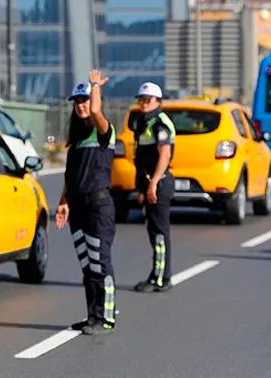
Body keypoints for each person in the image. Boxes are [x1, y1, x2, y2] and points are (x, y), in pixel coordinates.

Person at [54, 70, 117, 335]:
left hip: (98, 207)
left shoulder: (104, 132)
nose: (81, 105)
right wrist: (63, 202)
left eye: (85, 100)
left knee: (100, 263)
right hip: (78, 208)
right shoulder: (77, 140)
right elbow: (71, 176)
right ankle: (92, 316)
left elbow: (97, 112)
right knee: (87, 265)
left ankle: (106, 318)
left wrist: (95, 87)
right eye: (77, 101)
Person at [131, 82, 176, 293]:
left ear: (158, 101)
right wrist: (141, 187)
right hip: (149, 182)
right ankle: (158, 274)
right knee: (153, 230)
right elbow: (141, 157)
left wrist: (154, 183)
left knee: (159, 233)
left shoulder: (159, 123)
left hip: (159, 182)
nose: (143, 103)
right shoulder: (144, 121)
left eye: (147, 100)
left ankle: (161, 278)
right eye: (141, 99)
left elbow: (164, 155)